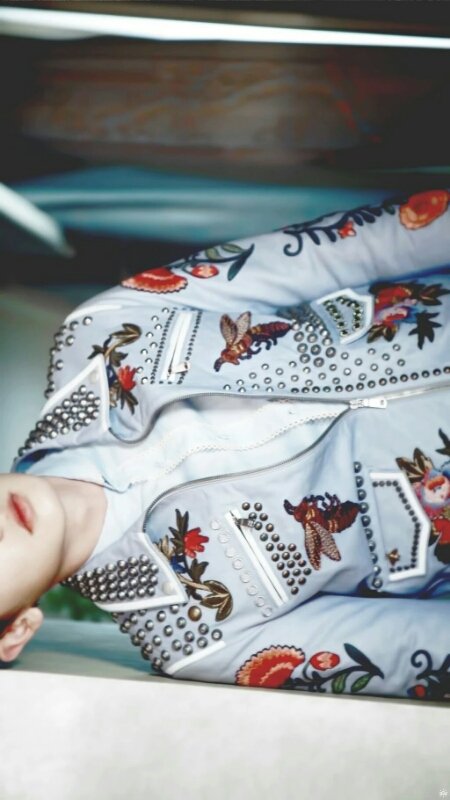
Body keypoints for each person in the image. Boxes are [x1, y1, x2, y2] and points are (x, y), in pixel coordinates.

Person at [1, 189, 450, 701]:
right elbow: (432, 647)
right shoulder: (200, 637)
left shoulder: (98, 338)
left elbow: (349, 247)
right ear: (14, 630)